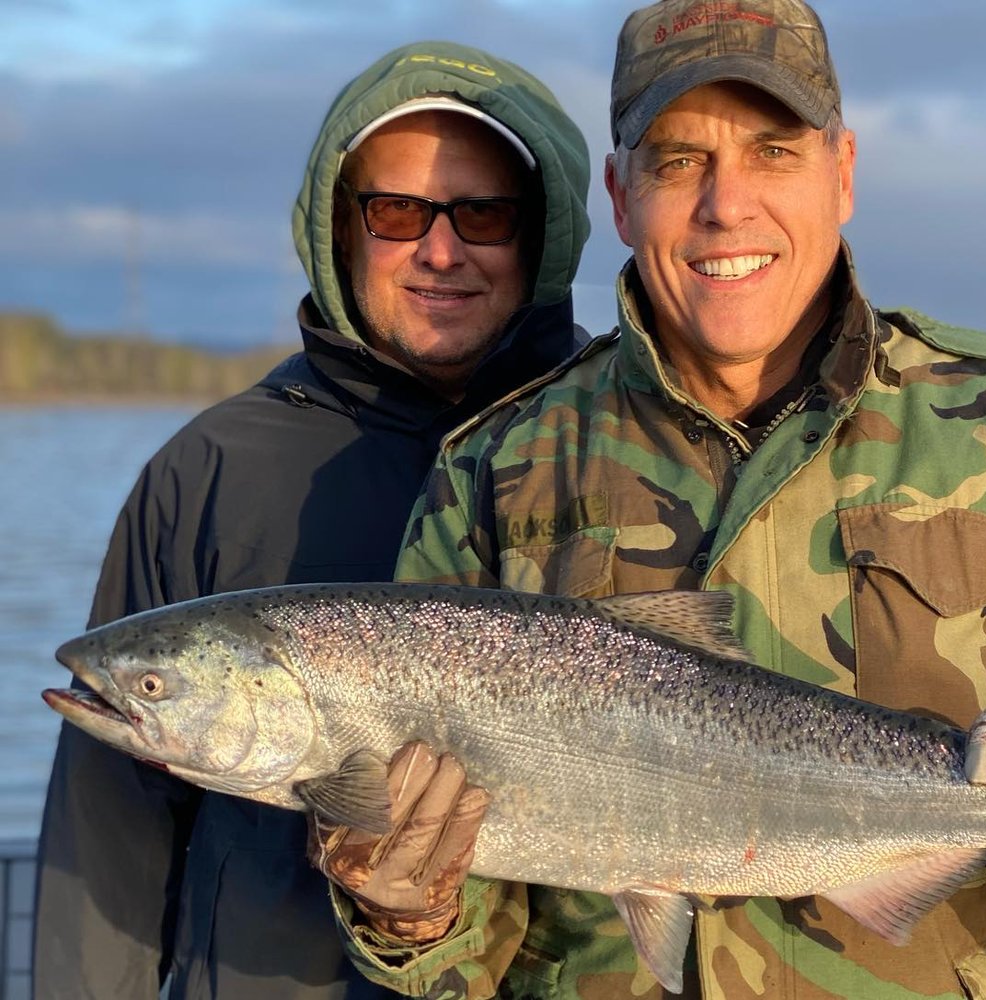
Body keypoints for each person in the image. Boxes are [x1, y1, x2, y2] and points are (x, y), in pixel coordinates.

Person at [330, 2, 986, 997]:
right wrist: (408, 911)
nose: (726, 204)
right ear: (621, 199)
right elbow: (463, 955)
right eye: (677, 161)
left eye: (772, 150)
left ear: (842, 173)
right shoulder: (493, 470)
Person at [33, 39, 590, 999]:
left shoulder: (625, 446)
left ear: (543, 237)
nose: (442, 250)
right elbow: (109, 830)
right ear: (340, 229)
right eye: (398, 212)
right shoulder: (206, 470)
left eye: (484, 214)